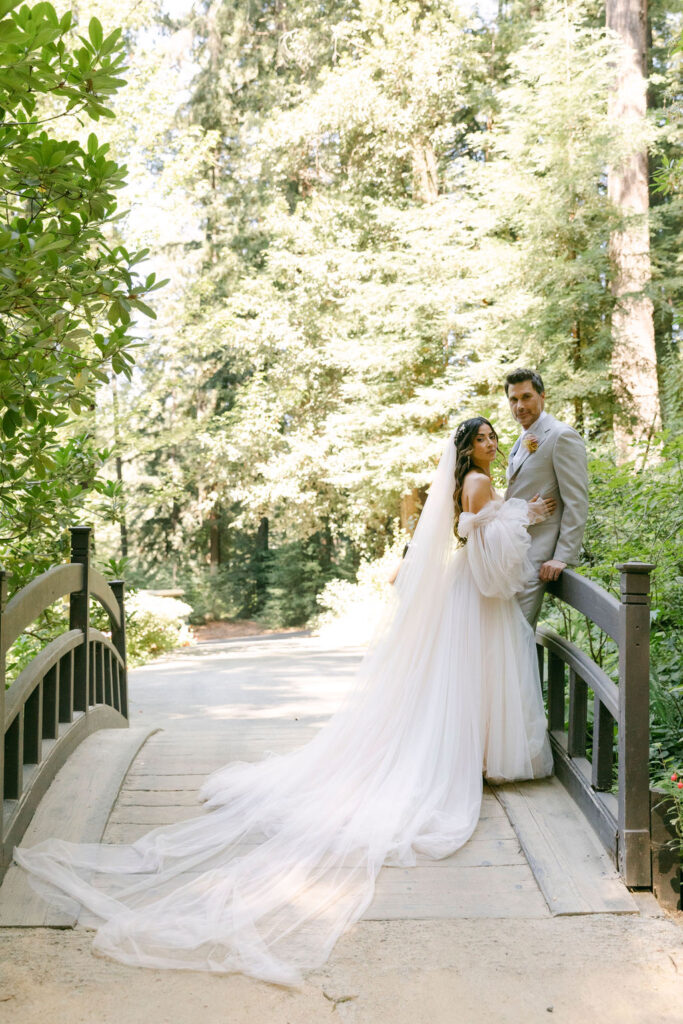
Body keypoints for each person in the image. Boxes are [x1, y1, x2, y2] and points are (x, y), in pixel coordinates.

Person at [14, 416, 556, 986]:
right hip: (472, 596)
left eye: (494, 437)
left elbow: (477, 528)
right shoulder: (476, 483)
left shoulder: (473, 483)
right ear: (467, 450)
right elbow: (487, 545)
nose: (492, 444)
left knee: (460, 681)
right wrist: (525, 517)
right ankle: (475, 758)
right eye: (483, 438)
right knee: (470, 677)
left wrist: (518, 513)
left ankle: (478, 754)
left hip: (463, 594)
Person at [504, 368, 589, 627]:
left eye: (526, 397)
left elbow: (577, 500)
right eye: (513, 400)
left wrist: (561, 556)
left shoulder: (562, 436)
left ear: (543, 396)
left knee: (516, 637)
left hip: (536, 561)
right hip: (510, 557)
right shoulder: (521, 440)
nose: (520, 406)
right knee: (505, 641)